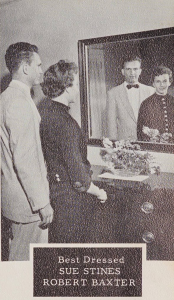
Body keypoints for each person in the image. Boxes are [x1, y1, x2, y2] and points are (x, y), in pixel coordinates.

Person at [39, 60, 107, 243]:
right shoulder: (64, 122)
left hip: (54, 193)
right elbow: (77, 173)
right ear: (67, 87)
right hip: (70, 201)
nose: (78, 89)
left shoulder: (45, 113)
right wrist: (98, 192)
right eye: (76, 84)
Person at [0, 42, 53, 261]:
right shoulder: (20, 102)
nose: (41, 70)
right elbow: (25, 160)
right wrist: (42, 203)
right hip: (28, 205)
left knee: (20, 260)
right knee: (26, 264)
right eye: (38, 65)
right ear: (25, 68)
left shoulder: (5, 98)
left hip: (14, 199)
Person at [106, 55, 155, 140]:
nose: (132, 73)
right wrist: (114, 146)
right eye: (128, 69)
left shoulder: (151, 91)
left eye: (135, 69)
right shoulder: (113, 93)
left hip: (148, 141)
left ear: (140, 71)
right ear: (123, 71)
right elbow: (111, 125)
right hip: (125, 143)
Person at [137, 65, 174, 142]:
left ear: (170, 82)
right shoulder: (146, 104)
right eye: (158, 81)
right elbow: (140, 132)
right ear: (153, 84)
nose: (162, 85)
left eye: (164, 81)